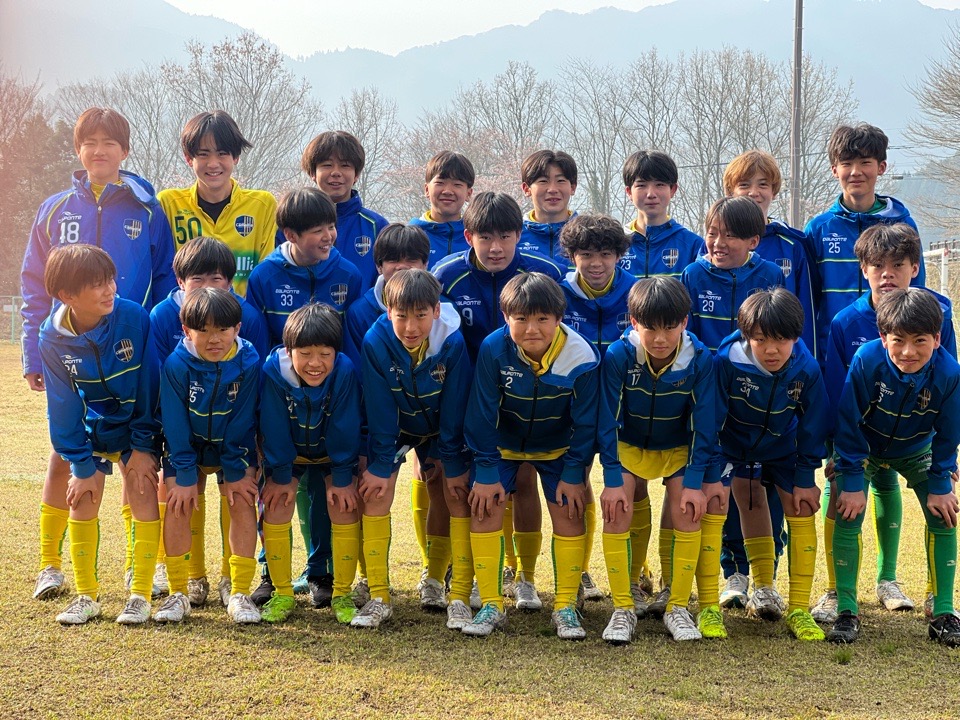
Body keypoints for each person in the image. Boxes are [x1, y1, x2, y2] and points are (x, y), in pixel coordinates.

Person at [23, 106, 175, 602]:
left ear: (125, 151)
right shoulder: (53, 210)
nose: (100, 151)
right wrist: (32, 353)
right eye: (90, 142)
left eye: (110, 142)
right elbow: (35, 284)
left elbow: (166, 276)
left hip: (129, 347)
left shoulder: (147, 208)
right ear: (78, 150)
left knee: (139, 464)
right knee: (63, 457)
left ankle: (141, 568)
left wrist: (154, 338)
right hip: (71, 350)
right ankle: (50, 565)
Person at [813, 224, 956, 624]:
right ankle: (837, 593)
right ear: (863, 269)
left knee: (923, 499)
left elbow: (946, 388)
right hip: (860, 437)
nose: (888, 274)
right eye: (878, 265)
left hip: (915, 440)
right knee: (843, 494)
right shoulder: (846, 322)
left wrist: (943, 466)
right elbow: (839, 394)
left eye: (898, 265)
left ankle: (902, 586)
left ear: (915, 268)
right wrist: (838, 452)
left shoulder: (939, 314)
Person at [434, 192, 563, 607]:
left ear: (519, 235)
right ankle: (475, 575)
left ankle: (525, 577)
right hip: (468, 400)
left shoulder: (544, 273)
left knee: (524, 481)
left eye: (505, 237)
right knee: (472, 486)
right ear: (467, 236)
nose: (495, 247)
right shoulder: (446, 276)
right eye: (485, 237)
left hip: (528, 400)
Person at [461, 272, 603, 639]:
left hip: (558, 448)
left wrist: (574, 472)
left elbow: (586, 423)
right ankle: (492, 604)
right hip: (503, 447)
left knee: (570, 511)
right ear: (505, 317)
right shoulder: (494, 348)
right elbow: (481, 412)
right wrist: (486, 469)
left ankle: (566, 606)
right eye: (521, 318)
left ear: (559, 319)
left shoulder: (581, 355)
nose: (532, 329)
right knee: (484, 506)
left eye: (542, 318)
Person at [829, 288, 960, 647]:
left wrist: (941, 482)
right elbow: (848, 420)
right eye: (898, 340)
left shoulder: (949, 372)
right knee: (846, 509)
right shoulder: (866, 359)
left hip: (917, 450)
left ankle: (944, 614)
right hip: (866, 449)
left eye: (920, 341)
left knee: (944, 514)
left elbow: (949, 432)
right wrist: (851, 478)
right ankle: (846, 611)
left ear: (937, 339)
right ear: (883, 337)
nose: (907, 352)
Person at [38, 245, 161, 625]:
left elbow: (150, 384)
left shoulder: (133, 317)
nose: (110, 289)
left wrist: (143, 446)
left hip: (134, 426)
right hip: (93, 428)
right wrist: (80, 464)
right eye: (97, 284)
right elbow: (62, 405)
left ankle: (140, 595)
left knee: (142, 485)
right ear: (67, 296)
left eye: (110, 279)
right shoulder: (52, 337)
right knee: (83, 494)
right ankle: (86, 597)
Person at [718, 150, 818, 609]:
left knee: (773, 495)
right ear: (730, 192)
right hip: (729, 393)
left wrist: (794, 361)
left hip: (779, 394)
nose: (754, 192)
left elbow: (802, 316)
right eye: (745, 185)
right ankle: (731, 574)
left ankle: (767, 580)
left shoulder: (792, 246)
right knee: (731, 490)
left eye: (763, 185)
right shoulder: (704, 258)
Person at [149, 235, 268, 607]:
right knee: (181, 496)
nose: (206, 286)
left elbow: (251, 400)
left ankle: (235, 585)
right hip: (185, 437)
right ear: (180, 282)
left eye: (216, 278)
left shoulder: (247, 326)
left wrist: (241, 459)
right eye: (196, 279)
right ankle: (189, 581)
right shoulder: (165, 326)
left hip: (234, 439)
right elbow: (167, 400)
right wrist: (181, 464)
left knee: (240, 495)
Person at [597, 277, 718, 643]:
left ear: (685, 322)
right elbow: (607, 420)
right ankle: (623, 605)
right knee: (617, 507)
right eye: (651, 327)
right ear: (634, 322)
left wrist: (694, 482)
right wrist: (611, 477)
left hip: (677, 447)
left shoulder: (700, 359)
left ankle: (677, 605)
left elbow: (704, 425)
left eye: (670, 326)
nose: (661, 338)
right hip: (630, 445)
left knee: (688, 509)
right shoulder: (618, 356)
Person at [709, 289, 829, 641]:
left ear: (796, 336)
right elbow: (709, 417)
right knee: (721, 501)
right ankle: (708, 605)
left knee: (801, 505)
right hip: (732, 445)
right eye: (761, 340)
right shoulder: (726, 361)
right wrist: (711, 467)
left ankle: (794, 606)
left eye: (781, 340)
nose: (771, 350)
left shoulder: (806, 368)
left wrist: (806, 475)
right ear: (746, 335)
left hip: (782, 446)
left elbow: (814, 425)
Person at [358, 269, 473, 629]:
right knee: (376, 492)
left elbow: (455, 404)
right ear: (388, 311)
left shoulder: (452, 340)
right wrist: (381, 464)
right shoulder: (375, 340)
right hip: (396, 428)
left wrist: (450, 459)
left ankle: (453, 592)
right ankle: (379, 597)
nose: (410, 327)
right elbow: (379, 408)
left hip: (441, 429)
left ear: (436, 311)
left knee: (453, 493)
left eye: (421, 315)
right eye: (401, 316)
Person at [259, 303, 362, 624]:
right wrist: (280, 475)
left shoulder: (344, 371)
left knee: (343, 504)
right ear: (289, 351)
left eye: (325, 354)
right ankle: (282, 593)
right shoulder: (273, 371)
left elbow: (345, 425)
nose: (315, 363)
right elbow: (273, 424)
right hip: (290, 454)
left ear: (336, 353)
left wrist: (342, 477)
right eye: (305, 354)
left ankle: (342, 593)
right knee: (276, 503)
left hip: (332, 453)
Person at [558, 213, 634, 602]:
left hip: (629, 407)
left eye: (605, 254)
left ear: (619, 255)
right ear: (572, 256)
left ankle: (635, 575)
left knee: (633, 486)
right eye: (586, 254)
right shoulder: (559, 293)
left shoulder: (636, 291)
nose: (596, 263)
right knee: (578, 481)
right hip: (576, 408)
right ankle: (582, 572)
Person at [806, 123, 925, 361]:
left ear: (881, 167)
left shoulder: (904, 224)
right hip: (835, 353)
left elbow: (916, 290)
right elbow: (811, 301)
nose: (855, 171)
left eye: (865, 162)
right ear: (834, 170)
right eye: (847, 163)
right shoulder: (819, 229)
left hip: (895, 354)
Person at [158, 110, 278, 297]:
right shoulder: (169, 203)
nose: (213, 164)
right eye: (203, 154)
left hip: (242, 312)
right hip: (185, 312)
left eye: (222, 154)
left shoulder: (262, 205)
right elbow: (161, 271)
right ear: (189, 158)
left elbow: (267, 272)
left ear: (235, 157)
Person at [681, 196, 784, 353]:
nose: (718, 243)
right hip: (705, 366)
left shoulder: (770, 275)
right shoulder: (693, 275)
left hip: (752, 366)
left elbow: (781, 331)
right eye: (712, 233)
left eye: (729, 235)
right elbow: (684, 334)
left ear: (753, 242)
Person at [301, 130, 388, 290]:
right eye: (327, 165)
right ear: (313, 173)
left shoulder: (377, 226)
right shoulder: (296, 222)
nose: (336, 172)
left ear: (356, 174)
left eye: (345, 165)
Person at [620, 150, 703, 278]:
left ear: (673, 190)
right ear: (629, 192)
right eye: (641, 185)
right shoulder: (616, 243)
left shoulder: (693, 245)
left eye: (659, 184)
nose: (651, 194)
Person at [409, 151, 475, 268]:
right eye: (440, 183)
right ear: (427, 190)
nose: (447, 191)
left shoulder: (476, 237)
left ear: (469, 193)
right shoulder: (410, 237)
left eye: (457, 184)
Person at [518, 149, 578, 264]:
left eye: (560, 181)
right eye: (543, 181)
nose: (552, 189)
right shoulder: (513, 236)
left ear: (573, 187)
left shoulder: (589, 235)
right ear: (526, 189)